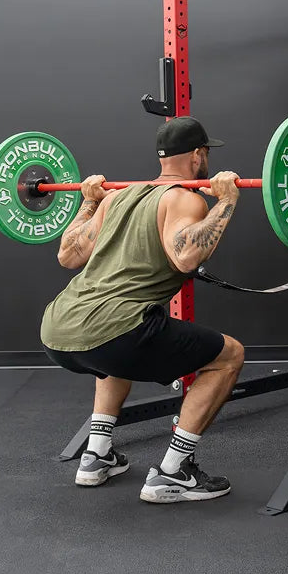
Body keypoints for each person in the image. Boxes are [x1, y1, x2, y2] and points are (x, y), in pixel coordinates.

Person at [39, 116, 246, 504]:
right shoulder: (185, 197)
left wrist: (88, 203)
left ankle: (96, 455)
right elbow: (185, 258)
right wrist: (227, 201)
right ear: (199, 155)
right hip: (117, 330)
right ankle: (174, 472)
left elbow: (68, 254)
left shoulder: (117, 197)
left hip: (58, 327)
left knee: (113, 345)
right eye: (205, 154)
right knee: (229, 356)